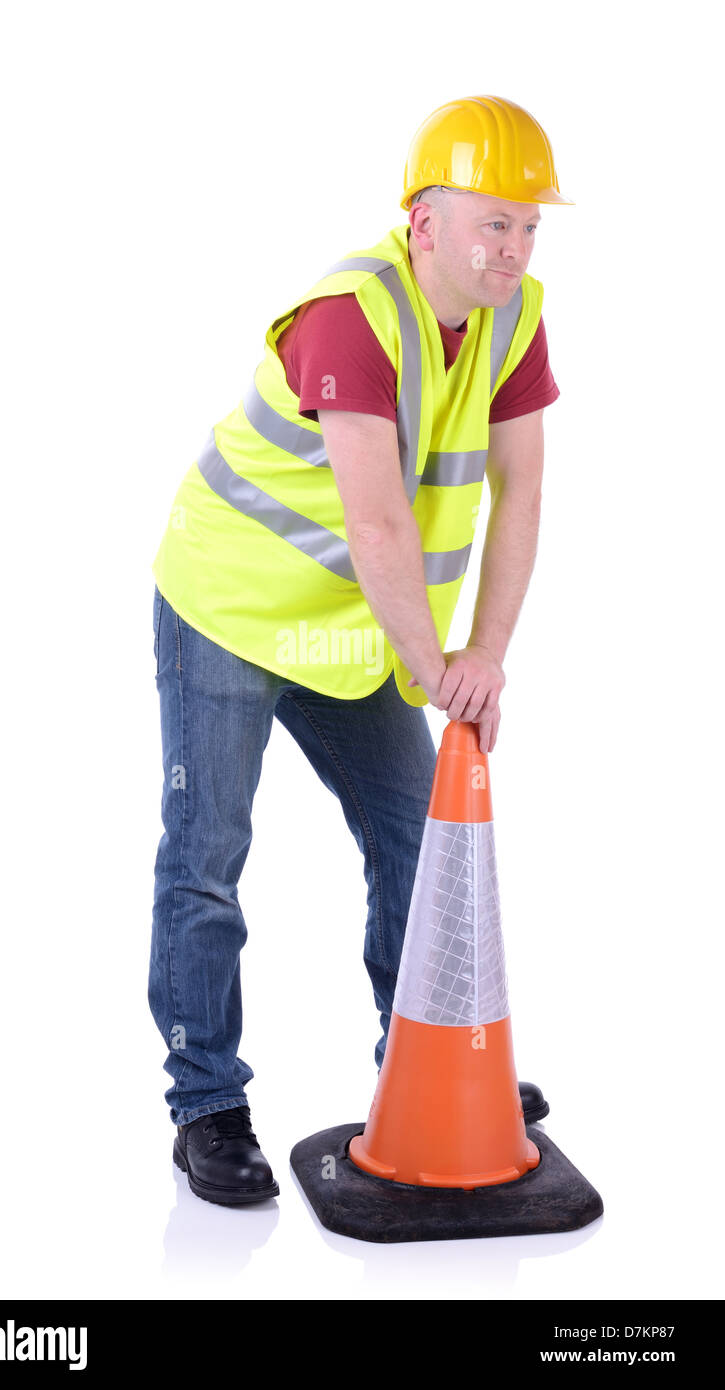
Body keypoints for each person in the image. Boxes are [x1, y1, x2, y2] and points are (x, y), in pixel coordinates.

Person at [149, 95, 572, 1205]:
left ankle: (425, 1066)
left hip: (349, 627)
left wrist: (486, 650)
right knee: (207, 856)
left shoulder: (517, 317)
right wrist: (445, 674)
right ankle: (207, 1106)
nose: (514, 249)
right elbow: (380, 522)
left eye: (529, 227)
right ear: (425, 221)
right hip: (233, 609)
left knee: (413, 839)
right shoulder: (352, 314)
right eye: (495, 223)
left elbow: (525, 491)